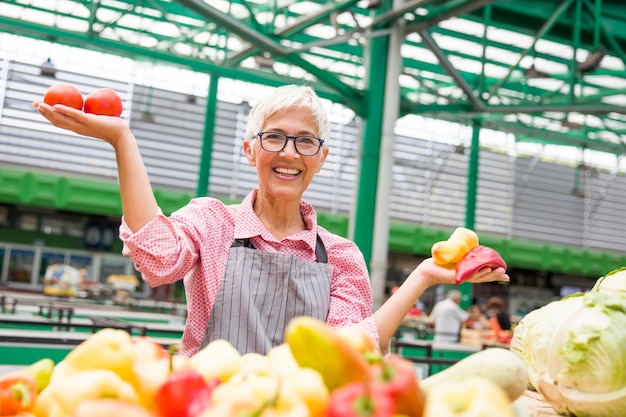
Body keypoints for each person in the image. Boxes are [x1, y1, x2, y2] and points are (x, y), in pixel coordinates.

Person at [32, 84, 509, 356]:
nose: (289, 153)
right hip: (208, 405)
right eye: (274, 137)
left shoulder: (342, 255)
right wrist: (122, 141)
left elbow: (353, 347)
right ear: (249, 150)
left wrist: (423, 277)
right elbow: (157, 259)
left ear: (320, 158)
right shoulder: (213, 221)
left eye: (305, 141)